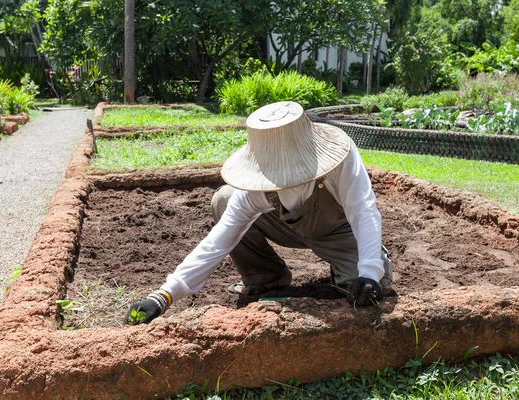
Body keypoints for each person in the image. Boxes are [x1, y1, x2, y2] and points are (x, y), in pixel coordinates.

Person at [124, 101, 394, 324]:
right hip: (288, 228)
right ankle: (267, 278)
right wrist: (162, 296)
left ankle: (348, 272)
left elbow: (363, 210)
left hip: (340, 231)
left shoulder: (340, 159)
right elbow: (219, 240)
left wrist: (369, 272)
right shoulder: (256, 185)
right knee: (224, 200)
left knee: (372, 291)